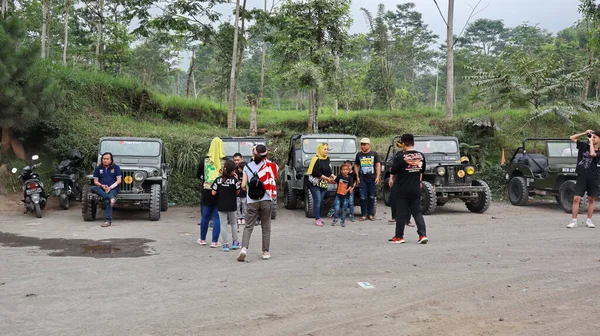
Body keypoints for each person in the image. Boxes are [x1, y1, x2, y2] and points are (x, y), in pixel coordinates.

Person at [237, 144, 276, 261]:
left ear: (254, 154)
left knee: (248, 226)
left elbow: (243, 185)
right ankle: (265, 252)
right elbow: (273, 180)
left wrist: (248, 189)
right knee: (266, 227)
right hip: (266, 200)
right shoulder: (270, 166)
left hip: (251, 200)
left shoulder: (247, 167)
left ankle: (244, 248)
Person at [389, 134, 428, 244]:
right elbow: (422, 171)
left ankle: (399, 236)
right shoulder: (421, 156)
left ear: (403, 144)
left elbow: (393, 171)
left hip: (402, 189)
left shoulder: (401, 156)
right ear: (413, 143)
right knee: (417, 212)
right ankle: (422, 235)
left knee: (401, 213)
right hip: (416, 188)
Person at [566, 130, 600, 228]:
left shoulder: (598, 151)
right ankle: (574, 220)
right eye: (592, 137)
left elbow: (593, 154)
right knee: (576, 198)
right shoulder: (583, 146)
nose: (592, 139)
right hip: (582, 175)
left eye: (595, 137)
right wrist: (584, 133)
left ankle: (589, 220)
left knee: (591, 198)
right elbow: (572, 137)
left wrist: (590, 143)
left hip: (593, 177)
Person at [196, 137, 226, 248]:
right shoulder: (226, 161)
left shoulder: (204, 160)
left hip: (206, 191)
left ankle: (202, 239)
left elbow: (198, 174)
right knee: (217, 216)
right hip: (221, 191)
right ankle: (214, 241)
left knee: (205, 215)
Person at [212, 160, 241, 252]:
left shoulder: (218, 180)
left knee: (223, 224)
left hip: (221, 205)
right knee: (233, 223)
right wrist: (236, 179)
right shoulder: (234, 180)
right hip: (232, 205)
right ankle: (235, 243)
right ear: (232, 170)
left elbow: (213, 192)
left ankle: (225, 244)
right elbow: (238, 191)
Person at [307, 143, 336, 226]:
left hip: (323, 184)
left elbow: (329, 170)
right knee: (318, 200)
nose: (326, 151)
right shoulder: (315, 159)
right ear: (320, 149)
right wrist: (327, 179)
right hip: (314, 183)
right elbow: (315, 172)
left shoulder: (327, 159)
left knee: (321, 201)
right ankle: (317, 218)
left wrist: (333, 176)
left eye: (327, 149)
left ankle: (319, 217)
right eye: (325, 149)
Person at [91, 152, 122, 227]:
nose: (105, 160)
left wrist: (110, 187)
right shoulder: (98, 168)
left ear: (111, 160)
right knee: (93, 187)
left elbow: (119, 180)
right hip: (102, 188)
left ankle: (108, 221)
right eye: (104, 159)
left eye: (107, 159)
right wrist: (102, 185)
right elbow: (95, 181)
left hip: (113, 188)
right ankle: (111, 198)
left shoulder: (116, 167)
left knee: (107, 201)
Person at [355, 137, 381, 221]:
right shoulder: (359, 155)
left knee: (372, 196)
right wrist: (357, 176)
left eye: (364, 144)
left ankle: (371, 214)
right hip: (362, 179)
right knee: (363, 197)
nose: (363, 146)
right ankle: (364, 214)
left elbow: (377, 165)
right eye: (361, 144)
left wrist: (377, 176)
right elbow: (356, 165)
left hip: (372, 179)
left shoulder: (374, 154)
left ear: (369, 145)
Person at [332, 161, 355, 227]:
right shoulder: (339, 177)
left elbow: (350, 185)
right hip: (338, 195)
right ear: (341, 171)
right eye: (343, 170)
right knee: (336, 208)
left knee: (344, 209)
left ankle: (342, 221)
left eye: (346, 170)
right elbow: (334, 181)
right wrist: (331, 177)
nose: (345, 171)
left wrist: (347, 191)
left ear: (348, 170)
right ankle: (335, 220)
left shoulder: (350, 178)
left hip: (346, 196)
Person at [235, 161, 248, 227]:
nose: (239, 170)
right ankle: (238, 218)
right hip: (237, 193)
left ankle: (244, 218)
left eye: (240, 168)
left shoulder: (246, 174)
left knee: (244, 206)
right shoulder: (236, 173)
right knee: (237, 205)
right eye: (238, 168)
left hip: (244, 193)